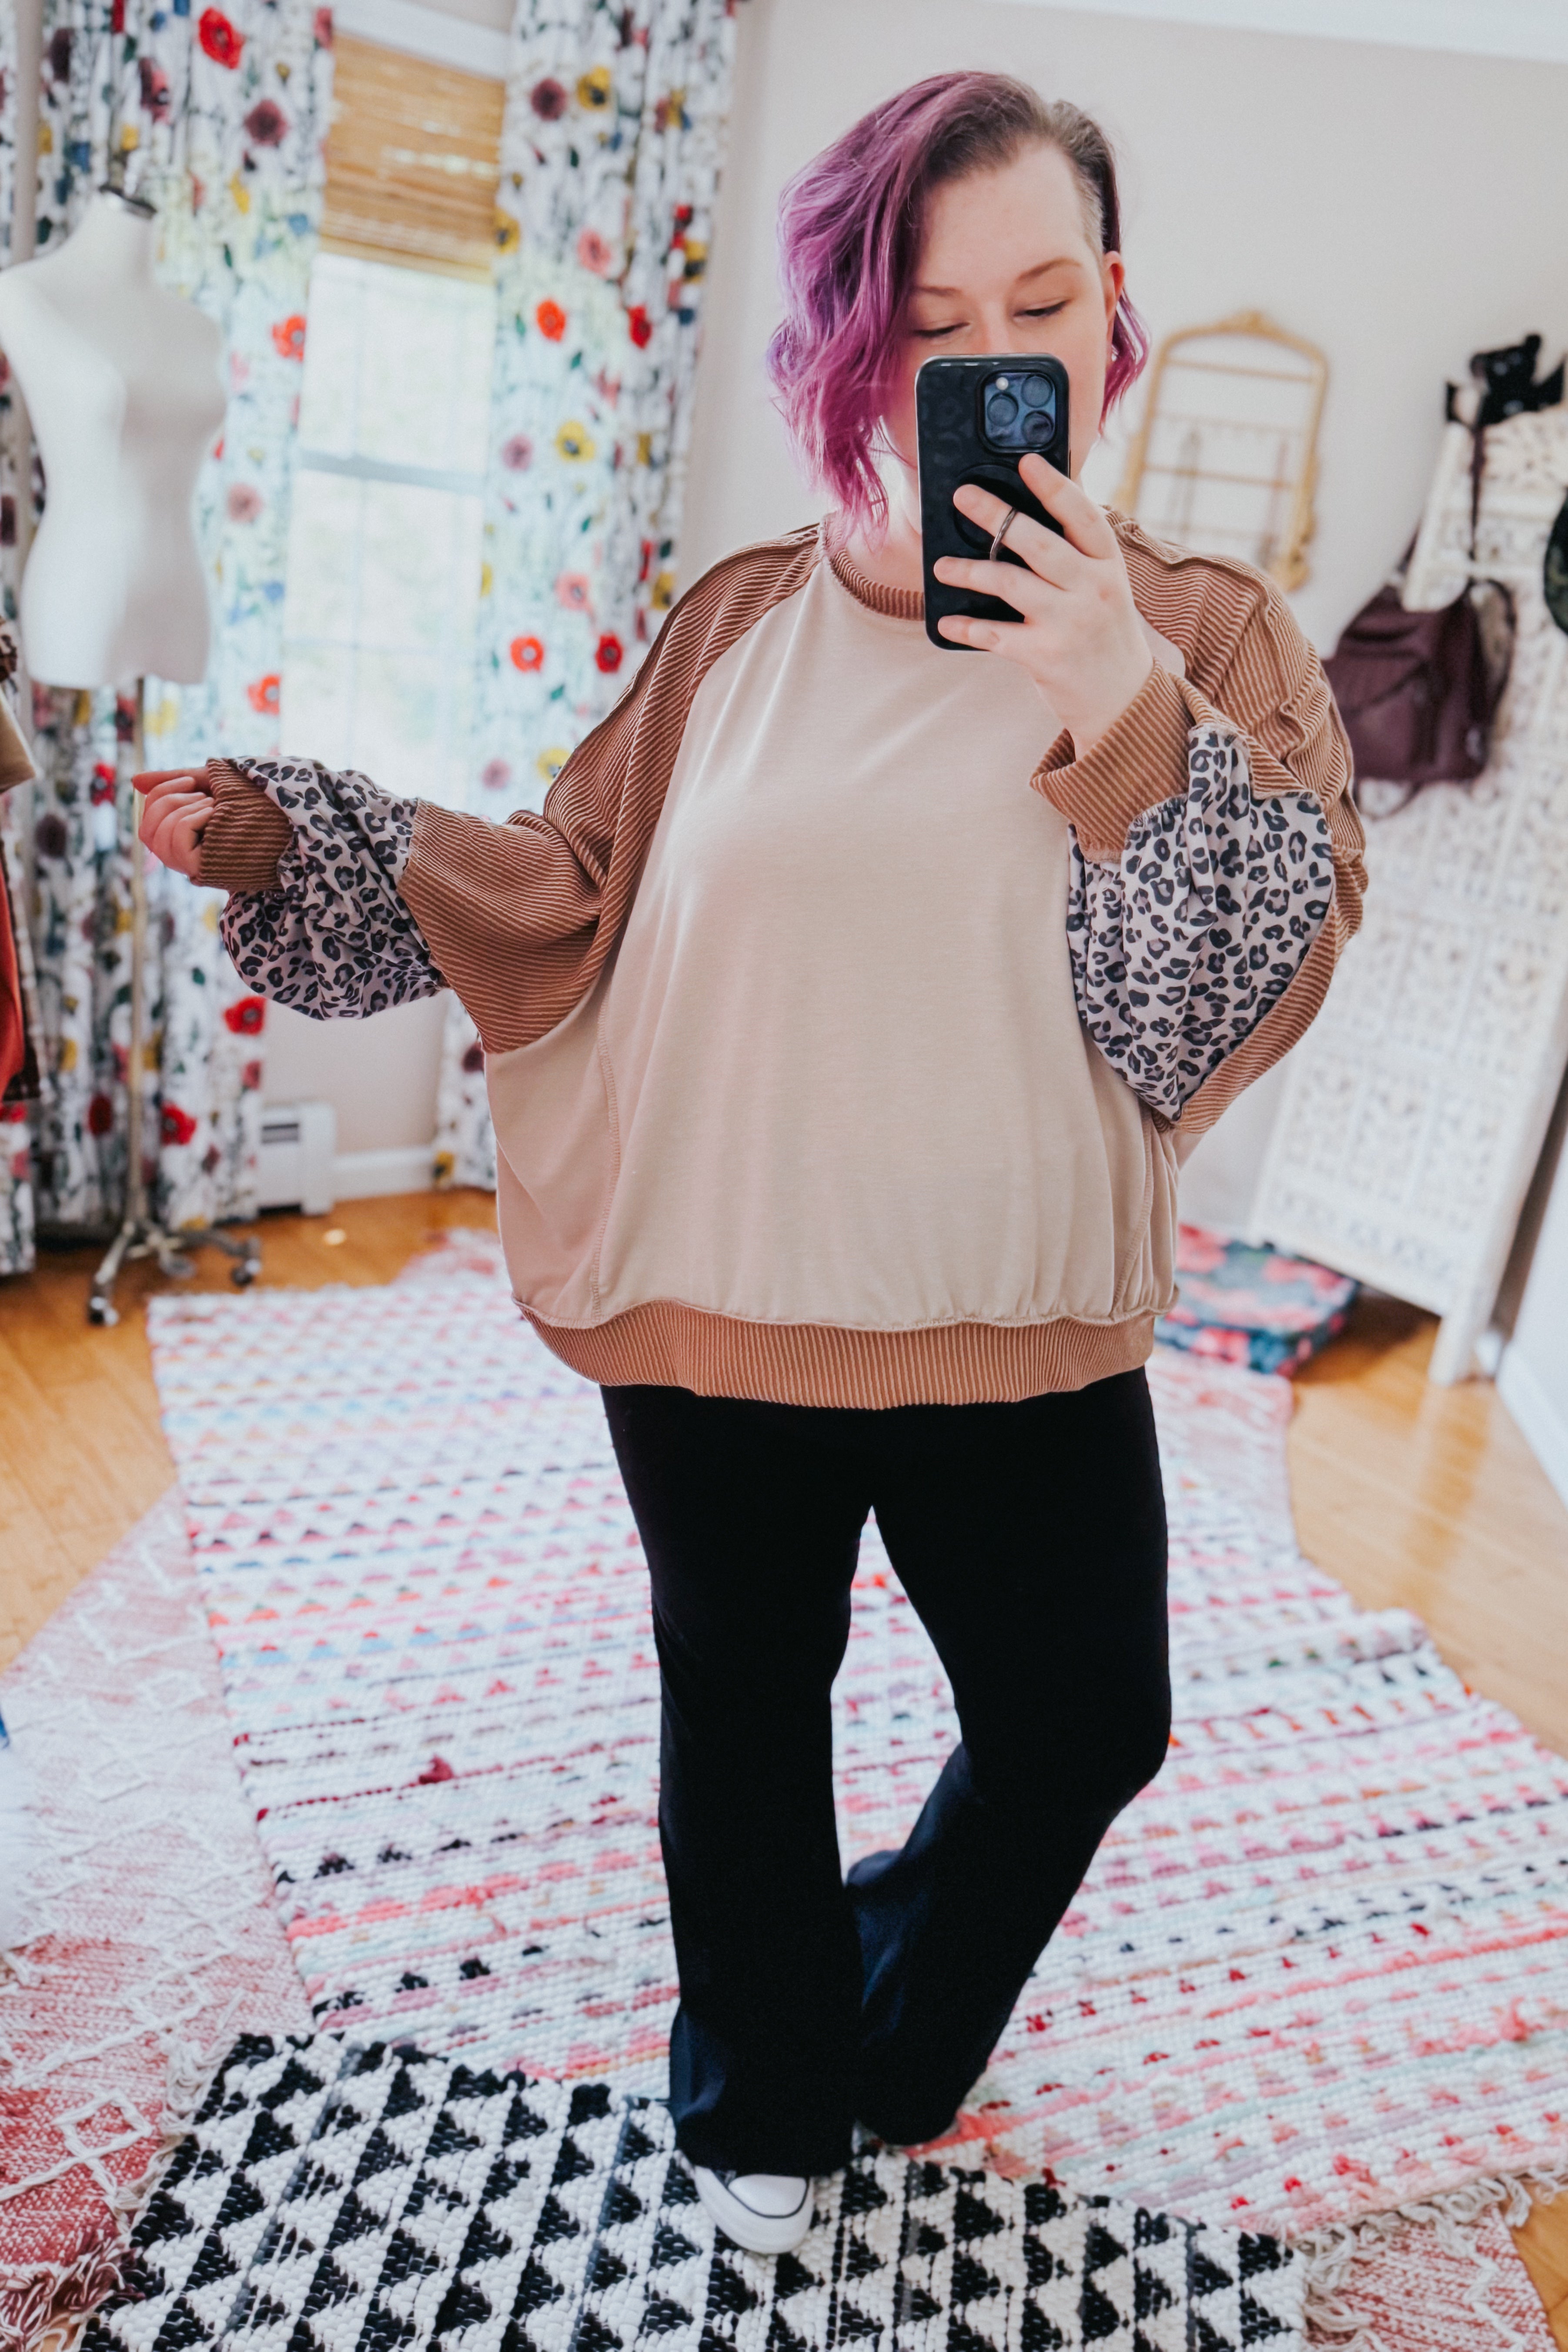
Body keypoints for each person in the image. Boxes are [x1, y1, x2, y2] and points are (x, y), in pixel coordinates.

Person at [139, 73, 1365, 2256]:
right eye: (925, 312)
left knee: (1085, 1720)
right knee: (743, 1702)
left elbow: (1211, 1009)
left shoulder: (1212, 636)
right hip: (722, 1299)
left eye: (1039, 298)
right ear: (852, 344)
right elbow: (561, 881)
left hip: (1018, 1316)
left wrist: (1112, 691)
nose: (984, 353)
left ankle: (880, 2031)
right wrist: (309, 828)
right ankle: (763, 2104)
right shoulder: (738, 623)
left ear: (1111, 322)